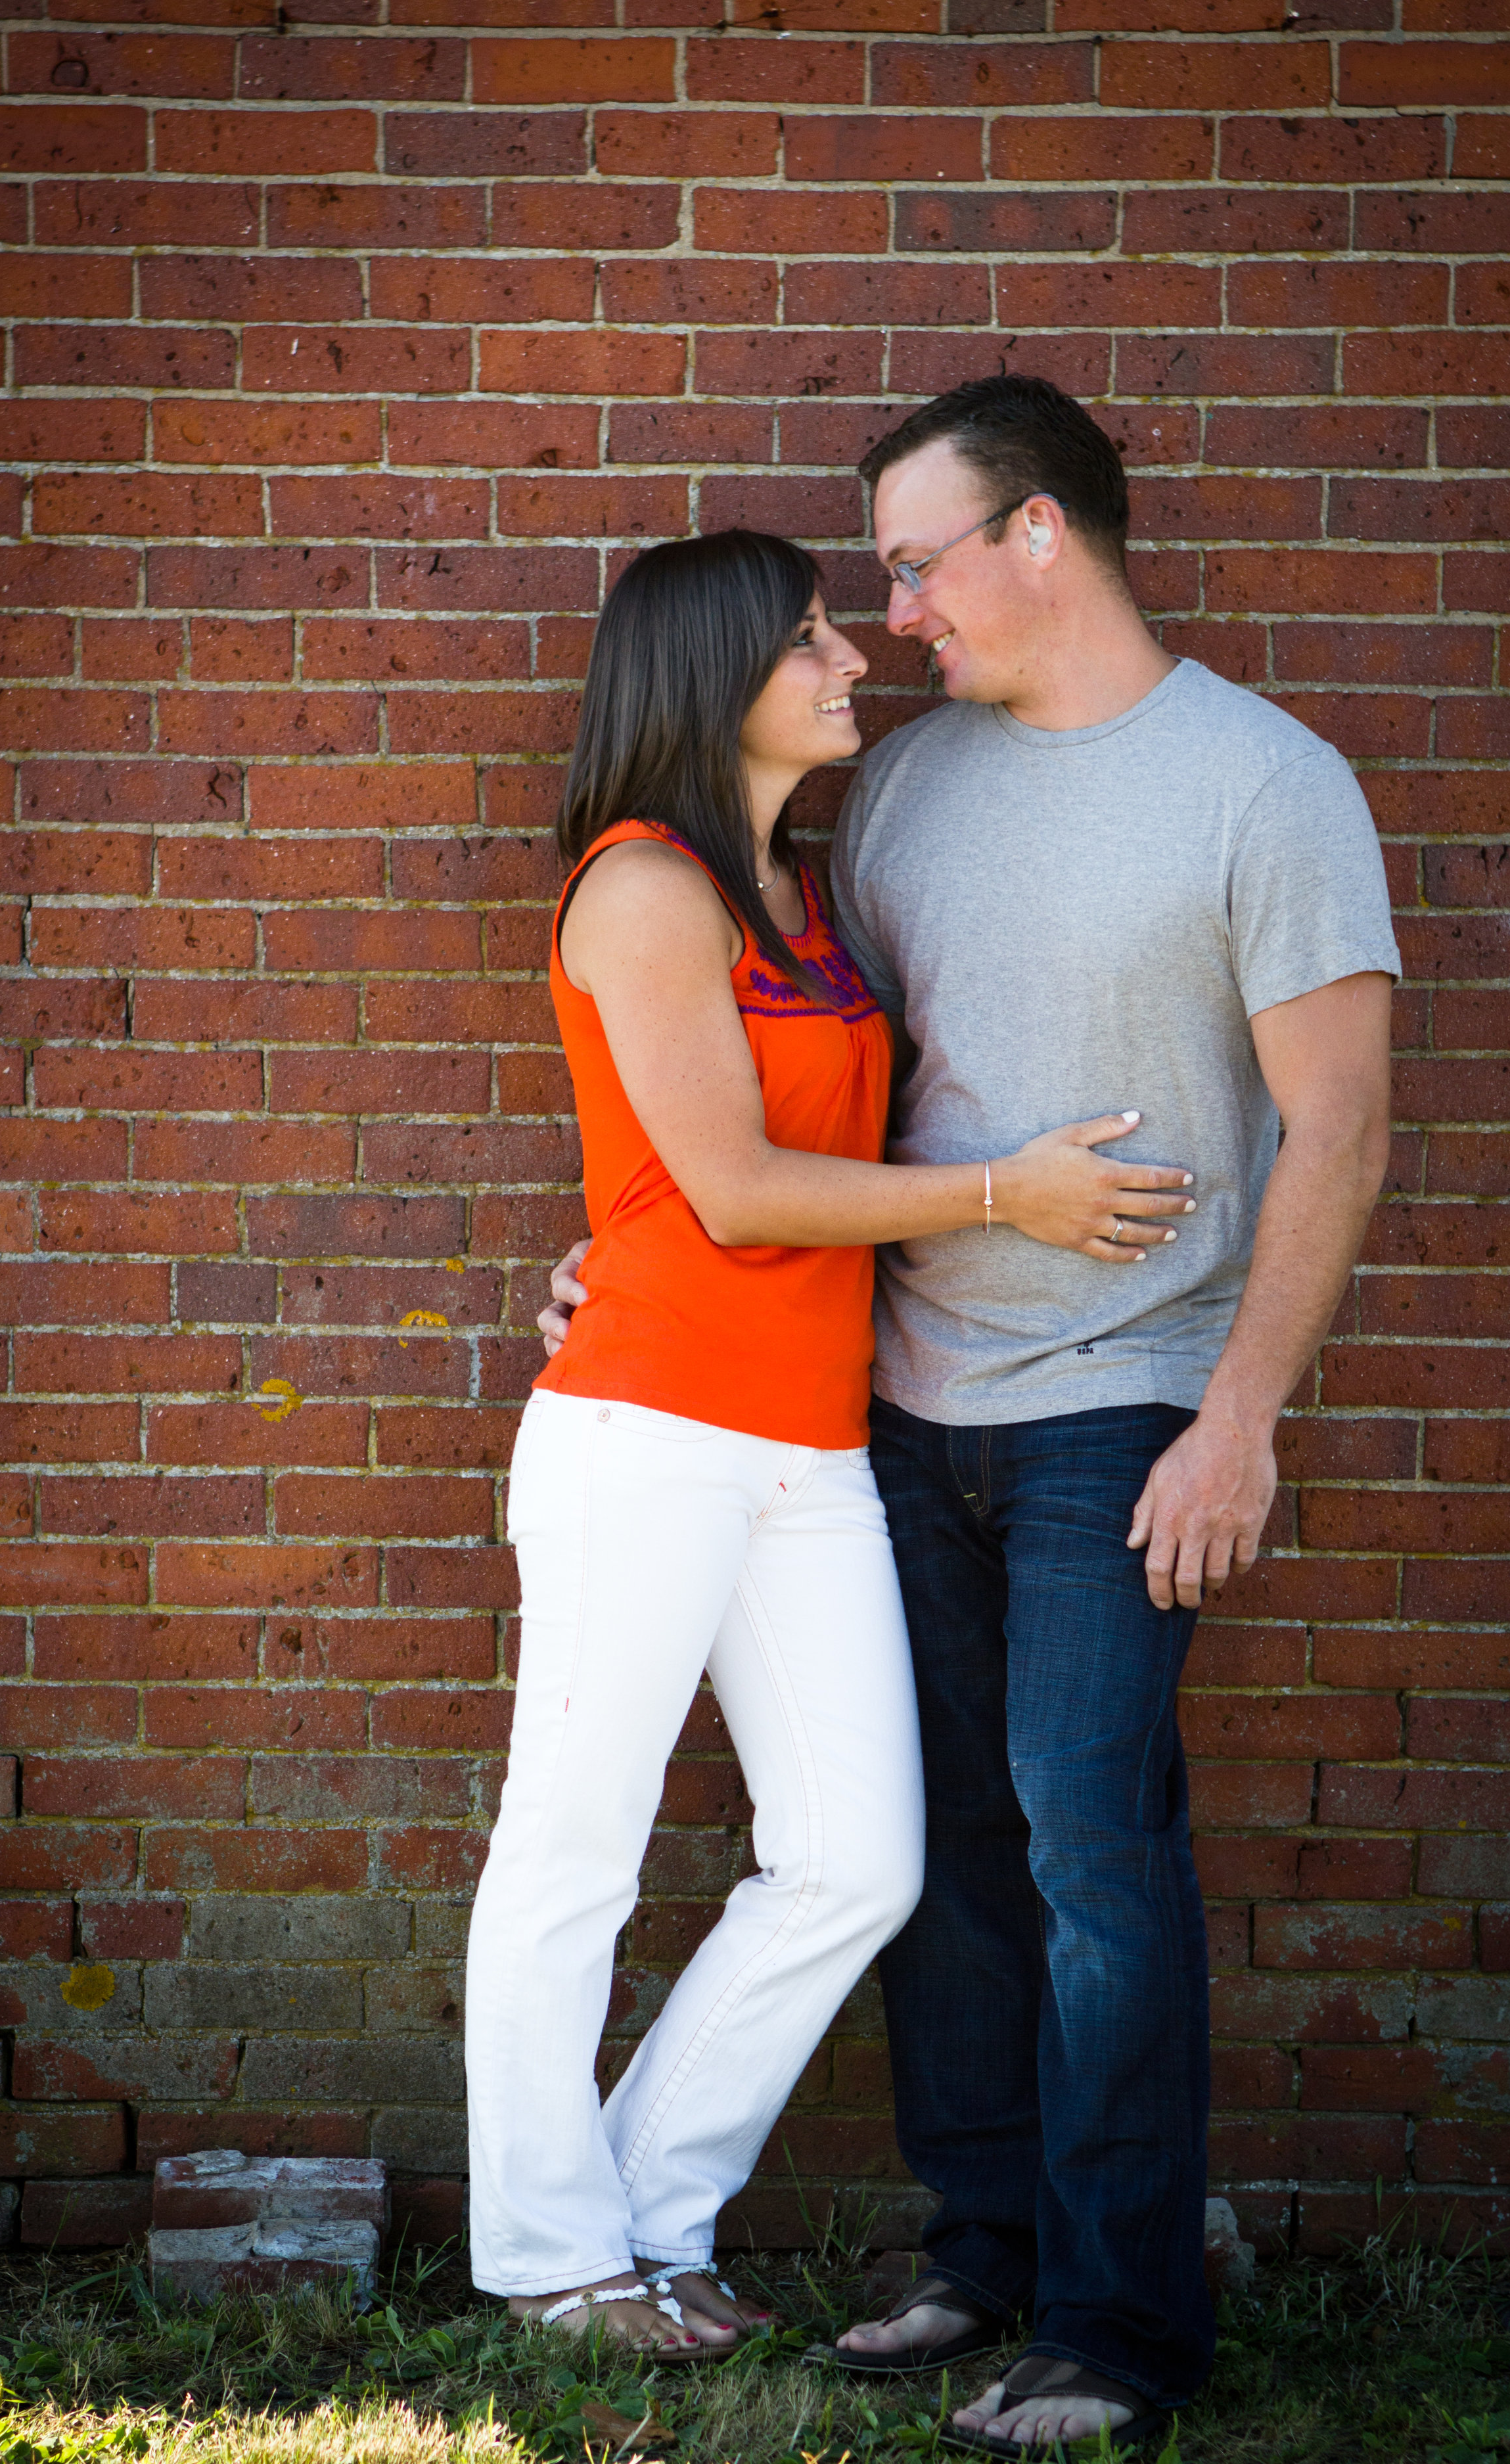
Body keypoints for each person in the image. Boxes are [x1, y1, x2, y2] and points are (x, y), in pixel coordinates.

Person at [539, 380, 1400, 2448]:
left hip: (1123, 1407)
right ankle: (981, 2255)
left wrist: (1241, 1415)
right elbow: (799, 1105)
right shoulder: (907, 792)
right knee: (946, 1862)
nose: (895, 613)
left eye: (915, 565)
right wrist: (623, 1249)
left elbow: (1342, 1132)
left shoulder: (1261, 786)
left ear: (1038, 536)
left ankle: (1113, 2328)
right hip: (897, 1409)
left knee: (1096, 1846)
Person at [466, 525, 1199, 2363]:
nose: (850, 661)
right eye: (807, 643)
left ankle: (645, 2209)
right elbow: (722, 1185)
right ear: (712, 677)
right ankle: (551, 2259)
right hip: (643, 1432)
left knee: (858, 1862)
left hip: (805, 1451)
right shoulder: (641, 885)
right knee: (576, 1843)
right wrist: (1003, 1198)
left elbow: (715, 1171)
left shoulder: (800, 893)